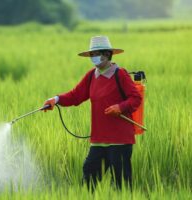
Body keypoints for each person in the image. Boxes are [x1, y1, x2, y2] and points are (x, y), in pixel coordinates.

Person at [43, 36, 142, 191]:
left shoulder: (120, 74)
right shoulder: (91, 75)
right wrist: (55, 99)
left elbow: (136, 98)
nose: (93, 57)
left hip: (120, 140)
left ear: (107, 54)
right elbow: (75, 96)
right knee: (89, 179)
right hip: (98, 140)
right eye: (91, 54)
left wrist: (120, 107)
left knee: (122, 185)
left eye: (97, 53)